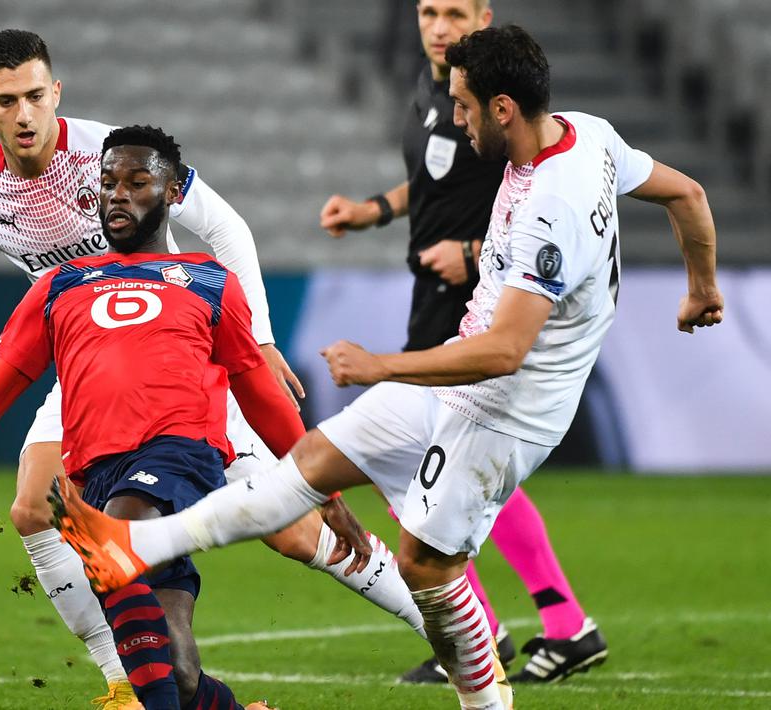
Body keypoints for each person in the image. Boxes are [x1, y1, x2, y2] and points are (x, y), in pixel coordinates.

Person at [52, 25, 724, 710]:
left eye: (462, 107)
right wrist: (701, 288)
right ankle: (135, 546)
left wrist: (380, 365)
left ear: (500, 109)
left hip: (506, 410)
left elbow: (505, 351)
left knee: (425, 567)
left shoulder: (551, 209)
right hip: (463, 376)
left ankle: (487, 704)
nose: (454, 119)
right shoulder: (586, 132)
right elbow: (688, 196)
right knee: (313, 461)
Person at [0, 30, 421, 708]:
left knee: (288, 529)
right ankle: (122, 684)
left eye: (35, 97)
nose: (24, 114)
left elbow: (226, 229)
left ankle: (442, 625)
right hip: (83, 366)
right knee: (33, 510)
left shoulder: (114, 155)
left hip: (178, 360)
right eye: (7, 100)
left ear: (56, 93)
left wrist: (261, 337)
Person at [320, 0, 607, 684]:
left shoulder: (492, 100)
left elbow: (533, 203)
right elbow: (432, 178)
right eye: (427, 11)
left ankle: (478, 630)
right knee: (457, 466)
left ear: (483, 15)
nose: (439, 26)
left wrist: (474, 254)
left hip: (480, 300)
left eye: (454, 12)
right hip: (431, 287)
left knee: (411, 465)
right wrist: (375, 211)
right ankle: (554, 622)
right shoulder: (434, 89)